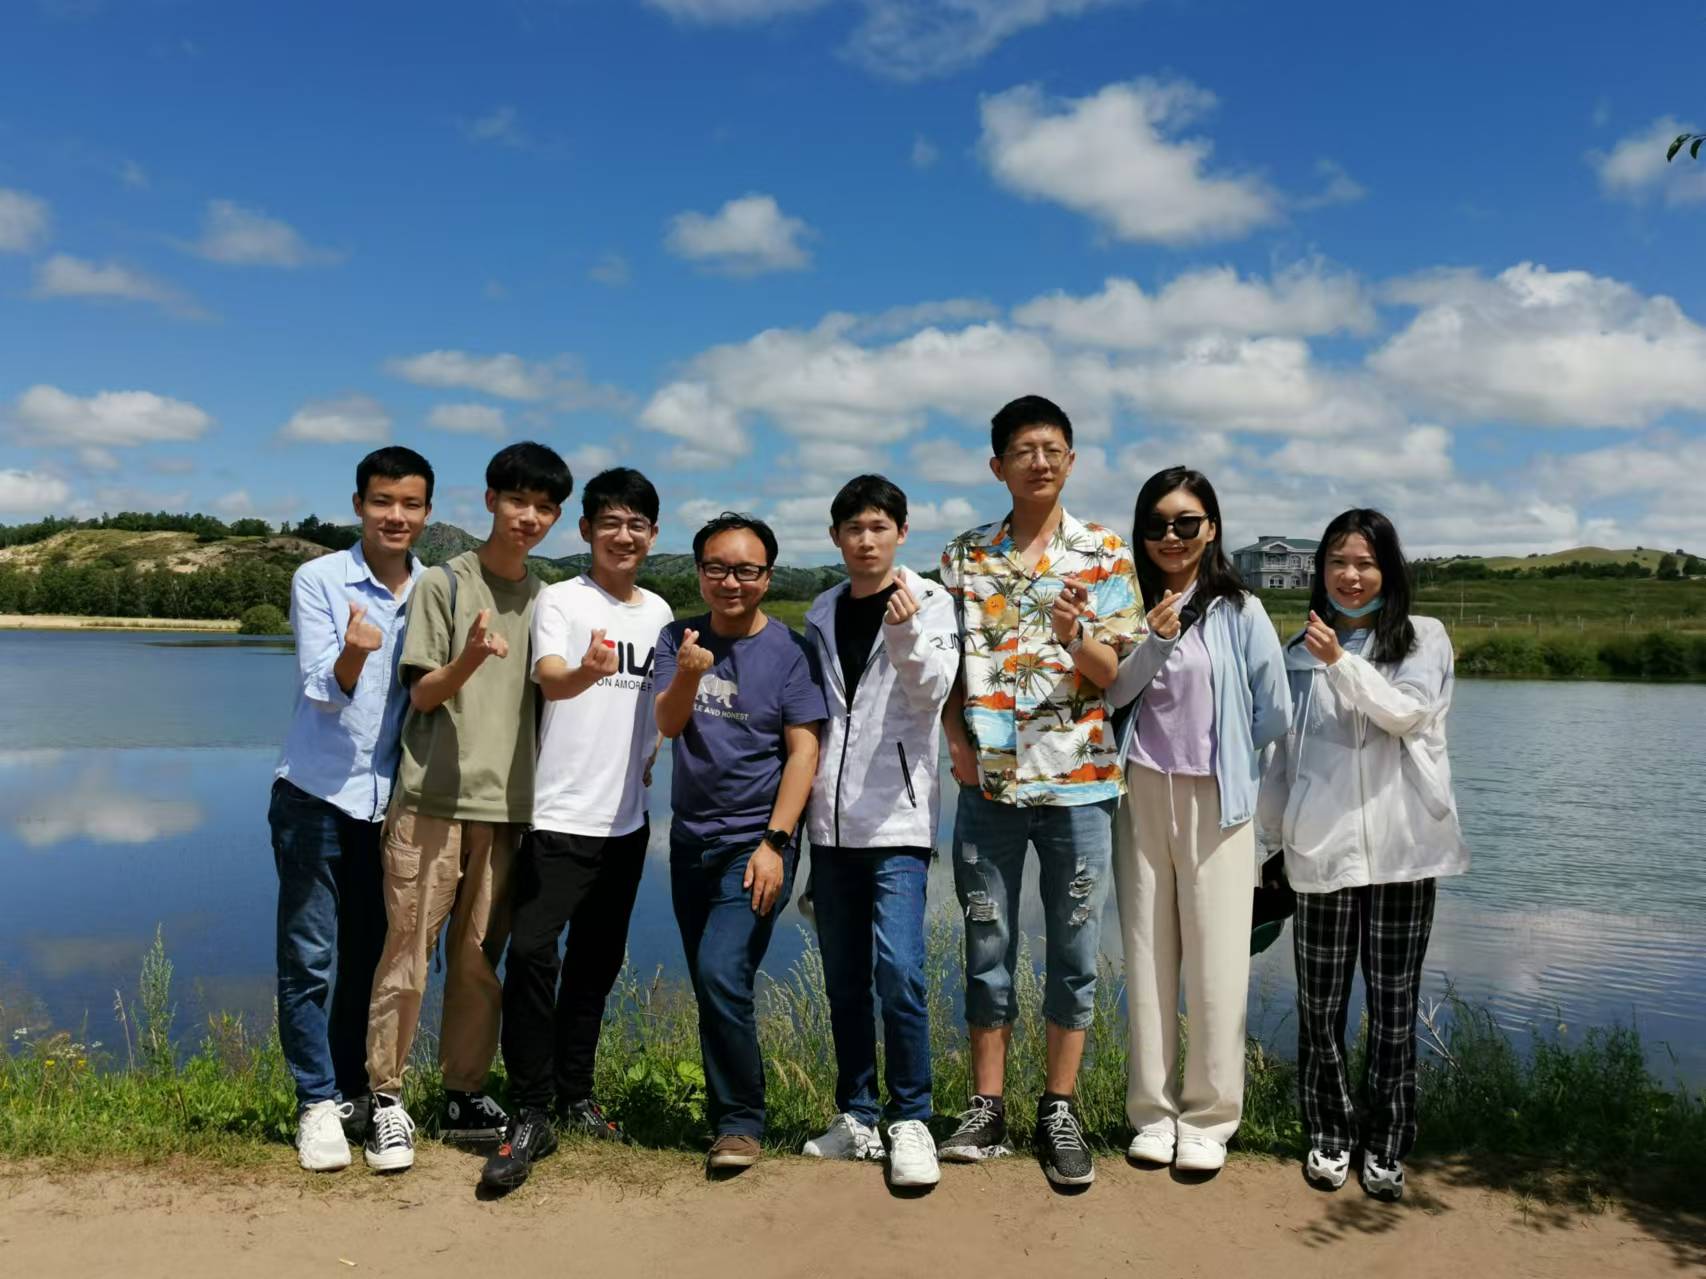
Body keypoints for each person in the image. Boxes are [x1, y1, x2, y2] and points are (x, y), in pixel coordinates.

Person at [938, 395, 1145, 1187]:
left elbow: (1115, 674)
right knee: (986, 944)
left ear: (1072, 460)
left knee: (1075, 950)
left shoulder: (1104, 552)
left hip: (1080, 781)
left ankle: (1059, 1108)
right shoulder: (964, 555)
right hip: (987, 782)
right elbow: (942, 663)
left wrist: (1072, 636)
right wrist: (956, 741)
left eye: (1053, 448)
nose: (1040, 461)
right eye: (1024, 449)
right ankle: (986, 1107)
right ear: (997, 465)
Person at [361, 441, 571, 1174]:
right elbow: (421, 693)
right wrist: (474, 656)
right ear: (490, 501)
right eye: (517, 501)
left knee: (479, 961)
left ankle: (462, 1093)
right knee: (406, 955)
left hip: (508, 808)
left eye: (544, 507)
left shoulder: (548, 599)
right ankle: (384, 1098)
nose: (529, 517)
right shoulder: (444, 584)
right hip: (432, 800)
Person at [1257, 508, 1469, 1202]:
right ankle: (1329, 1132)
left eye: (1365, 563)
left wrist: (1342, 663)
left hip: (1404, 853)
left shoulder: (1423, 640)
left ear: (1389, 570)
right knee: (1320, 1008)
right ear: (1320, 571)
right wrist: (1269, 844)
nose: (1350, 576)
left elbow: (1404, 714)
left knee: (1394, 1007)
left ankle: (1387, 1141)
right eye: (1337, 563)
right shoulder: (1297, 653)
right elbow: (1281, 758)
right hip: (1320, 853)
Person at [480, 468, 674, 1191]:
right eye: (610, 522)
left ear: (653, 535)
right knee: (533, 954)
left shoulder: (660, 613)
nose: (624, 535)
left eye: (637, 524)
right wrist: (591, 670)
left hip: (628, 821)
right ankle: (530, 1107)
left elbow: (662, 708)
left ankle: (575, 1094)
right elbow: (552, 677)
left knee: (597, 961)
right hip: (559, 816)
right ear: (587, 530)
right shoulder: (561, 599)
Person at [1104, 467, 1290, 1174]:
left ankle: (1210, 1118)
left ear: (1211, 528)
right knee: (1148, 954)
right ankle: (1152, 1114)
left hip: (1218, 800)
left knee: (1218, 961)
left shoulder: (1240, 610)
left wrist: (1232, 755)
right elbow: (1113, 692)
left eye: (1186, 522)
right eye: (1157, 524)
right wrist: (1149, 640)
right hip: (1140, 791)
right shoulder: (1128, 604)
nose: (1171, 536)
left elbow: (1274, 709)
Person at [270, 446, 434, 1172]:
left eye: (410, 504)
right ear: (359, 505)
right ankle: (316, 1101)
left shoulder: (433, 589)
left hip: (391, 804)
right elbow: (322, 691)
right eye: (382, 501)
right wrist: (356, 652)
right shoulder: (320, 579)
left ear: (427, 512)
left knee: (374, 957)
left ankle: (358, 1097)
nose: (396, 516)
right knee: (309, 957)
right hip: (315, 796)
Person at [654, 512, 826, 1171]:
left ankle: (741, 1122)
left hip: (755, 842)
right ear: (700, 572)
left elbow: (803, 751)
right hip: (689, 840)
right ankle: (725, 1112)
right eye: (718, 568)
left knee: (720, 970)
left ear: (767, 577)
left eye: (746, 570)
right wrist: (688, 672)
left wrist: (776, 843)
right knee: (715, 983)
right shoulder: (678, 636)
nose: (732, 582)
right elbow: (669, 724)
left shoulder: (790, 651)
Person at [799, 475, 957, 1189]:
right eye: (854, 528)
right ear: (836, 537)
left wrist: (903, 632)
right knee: (844, 979)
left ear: (901, 532)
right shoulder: (821, 610)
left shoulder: (930, 601)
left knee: (900, 973)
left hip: (898, 819)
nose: (866, 540)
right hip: (830, 827)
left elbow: (933, 692)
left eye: (879, 527)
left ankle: (912, 1117)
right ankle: (857, 1115)